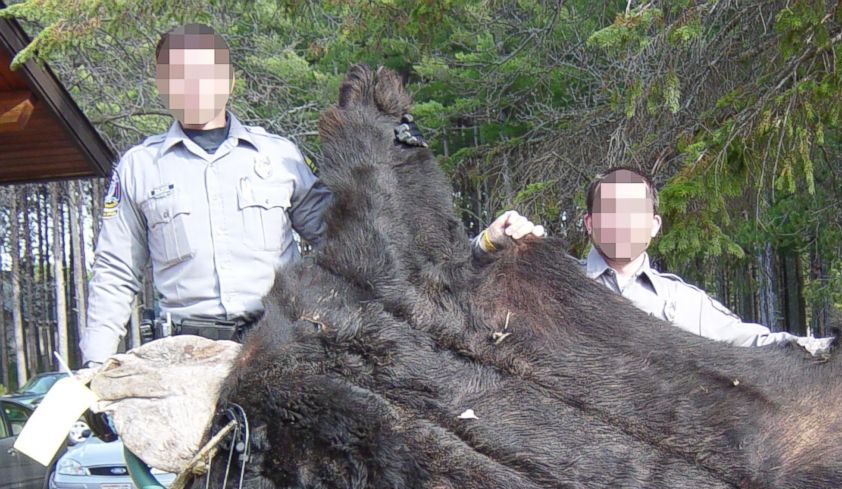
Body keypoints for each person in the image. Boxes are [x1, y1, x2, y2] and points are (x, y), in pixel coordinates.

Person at [80, 24, 531, 367]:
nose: (191, 85)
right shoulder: (139, 168)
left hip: (278, 343)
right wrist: (95, 367)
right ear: (162, 84)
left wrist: (475, 246)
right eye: (177, 75)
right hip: (186, 353)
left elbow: (355, 242)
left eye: (203, 72)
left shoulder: (278, 157)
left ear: (229, 81)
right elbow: (116, 273)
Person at [484, 167, 842, 355]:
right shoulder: (549, 285)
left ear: (654, 224)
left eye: (634, 212)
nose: (622, 223)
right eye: (609, 211)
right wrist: (488, 243)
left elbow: (755, 342)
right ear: (589, 223)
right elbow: (461, 290)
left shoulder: (685, 303)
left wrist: (841, 346)